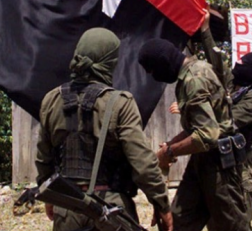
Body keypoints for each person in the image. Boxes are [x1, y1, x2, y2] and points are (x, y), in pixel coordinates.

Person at [35, 28, 172, 231]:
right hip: (110, 211)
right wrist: (161, 203)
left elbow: (44, 158)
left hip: (68, 207)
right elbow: (142, 162)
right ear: (110, 62)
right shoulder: (120, 103)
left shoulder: (52, 99)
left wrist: (51, 195)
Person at [138, 38, 249, 231]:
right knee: (175, 223)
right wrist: (170, 145)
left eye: (153, 71)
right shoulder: (192, 72)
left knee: (233, 226)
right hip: (203, 162)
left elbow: (207, 135)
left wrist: (169, 153)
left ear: (164, 62)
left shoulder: (194, 79)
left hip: (220, 166)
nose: (154, 77)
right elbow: (197, 127)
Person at [200, 10, 252, 229]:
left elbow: (226, 124)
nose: (236, 66)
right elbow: (216, 60)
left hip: (239, 170)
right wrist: (205, 30)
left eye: (242, 64)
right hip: (219, 167)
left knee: (238, 223)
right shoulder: (231, 84)